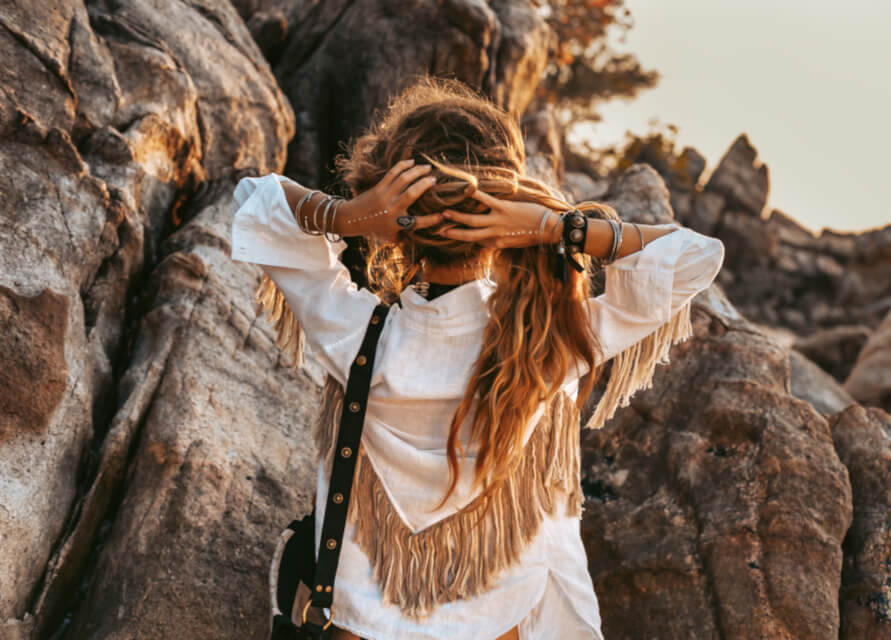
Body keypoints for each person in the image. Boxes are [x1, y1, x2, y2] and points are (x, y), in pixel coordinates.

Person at [230, 77, 725, 640]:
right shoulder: (545, 342)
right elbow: (694, 256)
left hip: (361, 624)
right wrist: (555, 225)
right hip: (498, 624)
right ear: (502, 214)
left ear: (398, 221)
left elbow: (255, 201)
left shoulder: (354, 334)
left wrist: (351, 218)